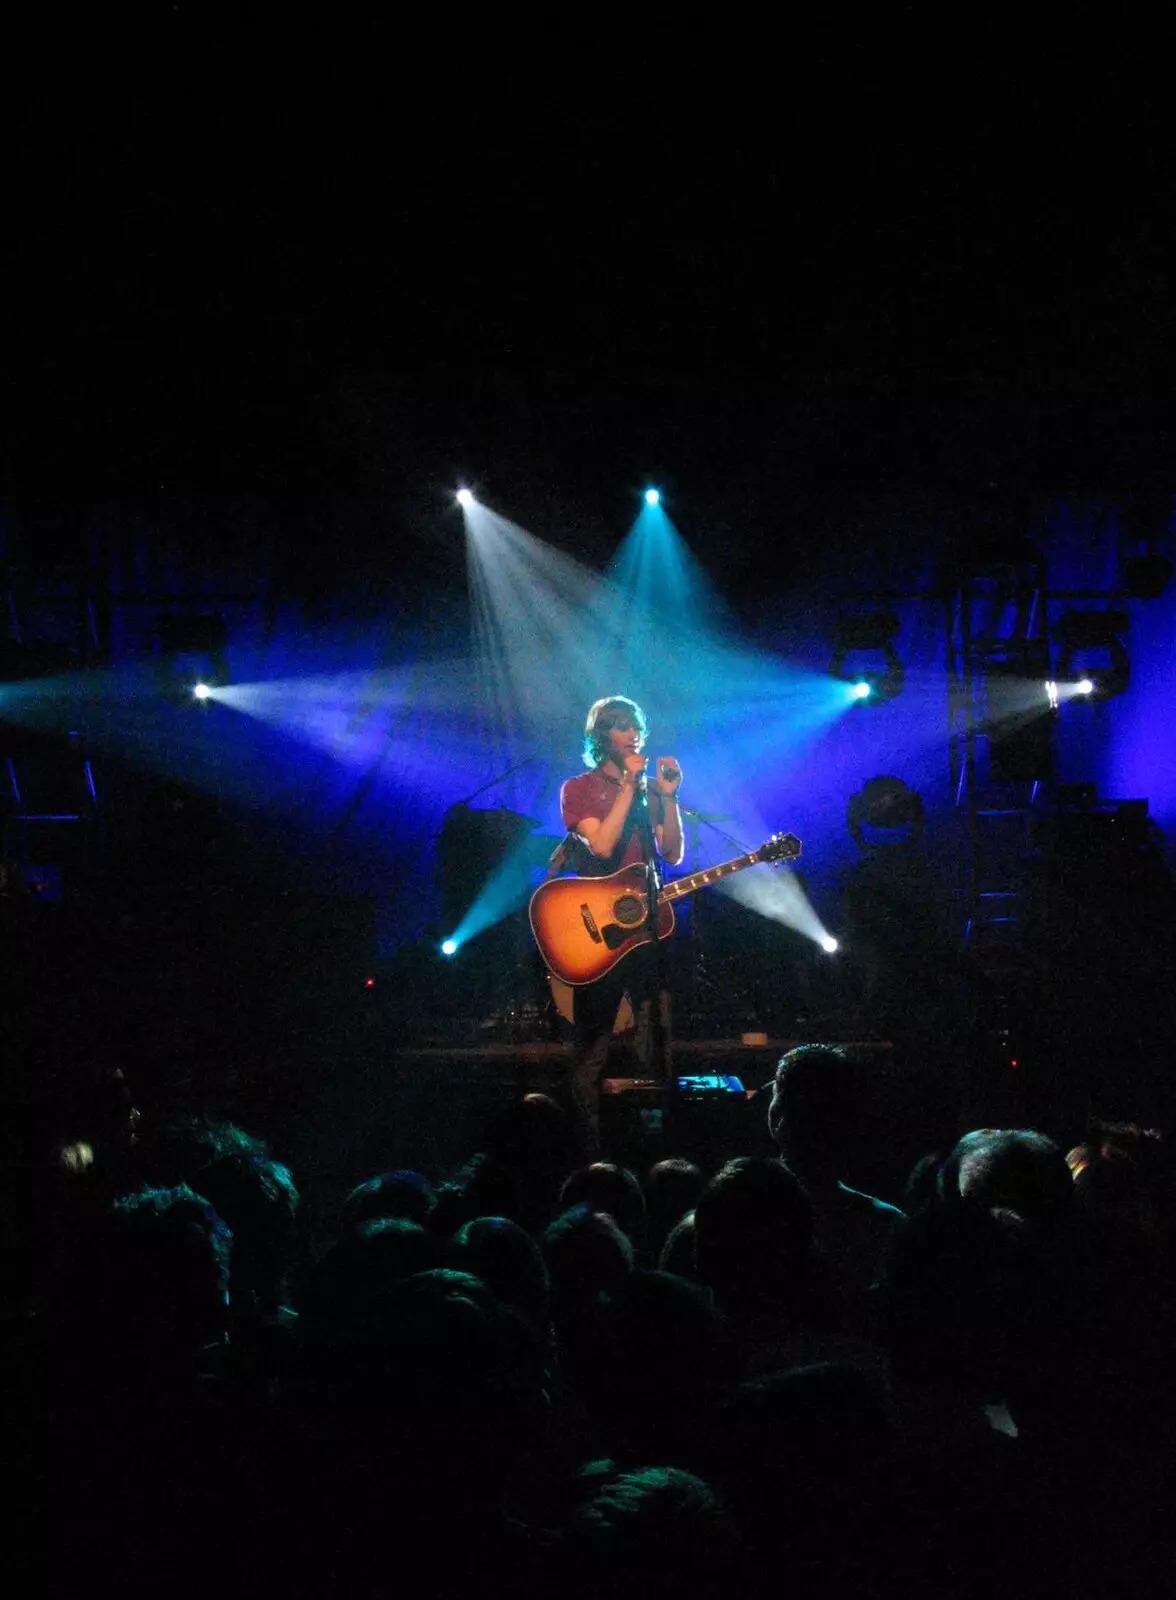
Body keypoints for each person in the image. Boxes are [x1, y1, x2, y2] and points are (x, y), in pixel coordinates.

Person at [557, 696, 683, 1156]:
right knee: (592, 1049)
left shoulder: (650, 789)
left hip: (646, 933)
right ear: (600, 737)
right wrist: (631, 785)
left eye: (636, 726)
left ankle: (663, 1153)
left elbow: (671, 854)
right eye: (620, 727)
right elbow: (605, 846)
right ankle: (589, 1156)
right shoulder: (579, 789)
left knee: (659, 1044)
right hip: (601, 937)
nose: (632, 734)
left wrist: (666, 797)